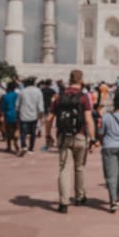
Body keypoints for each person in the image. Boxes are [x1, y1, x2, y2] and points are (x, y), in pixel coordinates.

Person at [44, 69, 96, 214]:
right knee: (79, 168)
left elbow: (49, 119)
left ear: (69, 80)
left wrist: (48, 136)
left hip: (63, 137)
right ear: (81, 80)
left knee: (63, 169)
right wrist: (93, 138)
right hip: (80, 136)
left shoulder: (59, 97)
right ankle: (79, 197)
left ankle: (63, 203)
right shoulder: (84, 97)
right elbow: (88, 119)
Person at [17, 77, 44, 156]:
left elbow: (18, 104)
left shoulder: (22, 91)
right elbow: (40, 105)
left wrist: (17, 114)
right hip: (34, 115)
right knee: (33, 133)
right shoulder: (38, 91)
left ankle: (23, 146)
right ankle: (31, 148)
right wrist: (41, 116)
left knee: (23, 132)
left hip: (23, 114)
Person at [0, 81, 20, 153]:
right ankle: (16, 142)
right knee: (16, 130)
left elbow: (3, 108)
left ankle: (9, 146)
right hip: (17, 115)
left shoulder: (5, 96)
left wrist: (2, 116)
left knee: (8, 131)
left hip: (8, 115)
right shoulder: (18, 95)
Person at [41, 79, 57, 151]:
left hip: (42, 107)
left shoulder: (41, 90)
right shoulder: (52, 90)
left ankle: (48, 140)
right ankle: (49, 140)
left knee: (45, 124)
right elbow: (56, 98)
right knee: (49, 124)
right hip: (50, 108)